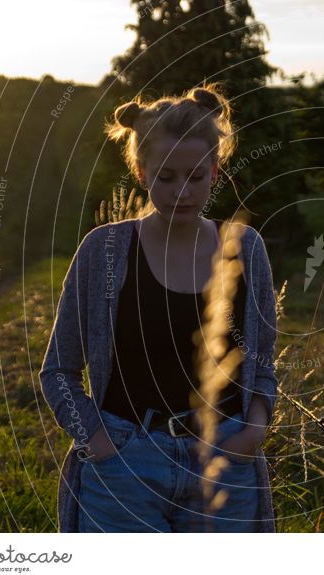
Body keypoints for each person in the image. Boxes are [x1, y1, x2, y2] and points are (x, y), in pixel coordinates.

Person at [39, 82, 279, 532]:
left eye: (195, 176)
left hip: (225, 461)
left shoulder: (245, 249)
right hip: (124, 465)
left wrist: (252, 433)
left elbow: (262, 360)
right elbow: (59, 370)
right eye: (165, 177)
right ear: (142, 172)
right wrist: (97, 440)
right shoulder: (103, 251)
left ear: (216, 170)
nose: (181, 192)